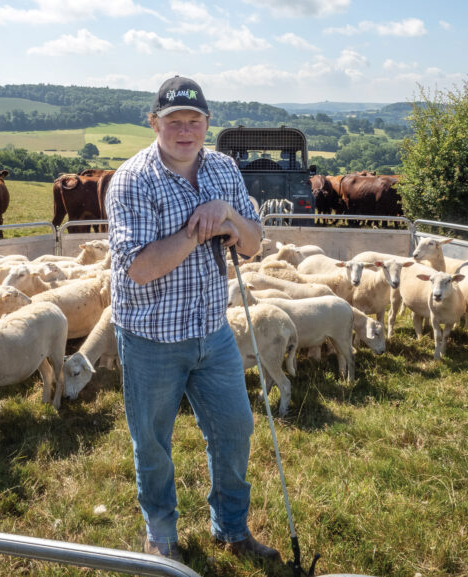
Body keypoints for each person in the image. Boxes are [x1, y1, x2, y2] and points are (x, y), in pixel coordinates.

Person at [105, 76, 281, 565]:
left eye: (195, 120)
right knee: (153, 442)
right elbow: (138, 268)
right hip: (151, 338)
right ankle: (161, 538)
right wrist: (197, 228)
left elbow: (253, 242)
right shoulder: (133, 180)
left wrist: (226, 213)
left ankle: (231, 528)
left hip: (213, 329)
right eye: (174, 121)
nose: (185, 130)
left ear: (206, 123)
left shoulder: (225, 169)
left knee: (235, 429)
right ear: (154, 123)